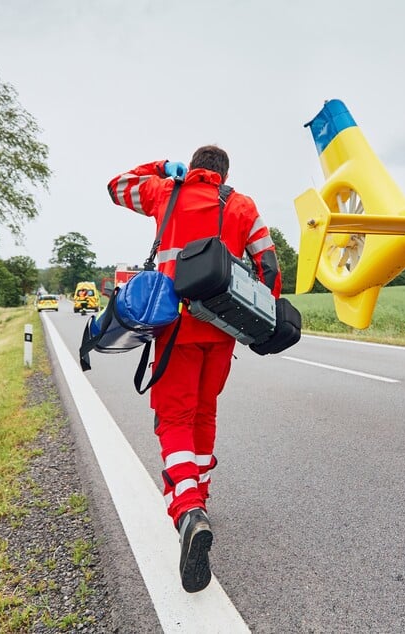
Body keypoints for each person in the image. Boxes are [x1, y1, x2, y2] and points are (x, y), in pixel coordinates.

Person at [107, 145, 281, 592]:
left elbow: (117, 186)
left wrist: (161, 167)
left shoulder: (167, 191)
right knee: (204, 414)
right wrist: (259, 313)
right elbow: (268, 264)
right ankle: (199, 494)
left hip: (175, 329)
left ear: (194, 168)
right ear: (223, 176)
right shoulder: (242, 205)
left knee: (175, 419)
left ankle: (187, 511)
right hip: (221, 332)